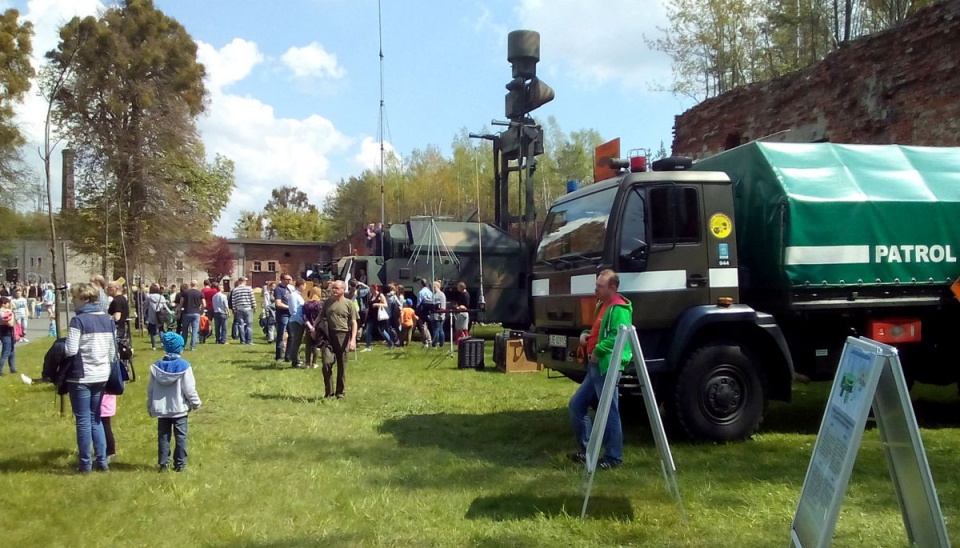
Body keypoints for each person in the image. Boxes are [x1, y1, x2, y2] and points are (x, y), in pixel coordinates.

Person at [568, 270, 633, 470]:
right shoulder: (602, 305)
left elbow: (618, 336)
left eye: (599, 286)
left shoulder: (619, 309)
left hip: (607, 366)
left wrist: (598, 350)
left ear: (613, 288)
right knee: (576, 405)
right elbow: (596, 329)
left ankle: (614, 457)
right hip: (595, 366)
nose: (595, 289)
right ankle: (588, 451)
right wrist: (585, 334)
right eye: (596, 285)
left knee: (609, 412)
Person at [63, 283, 118, 473]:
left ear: (84, 298)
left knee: (83, 420)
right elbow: (113, 352)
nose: (73, 301)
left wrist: (58, 350)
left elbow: (71, 349)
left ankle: (85, 464)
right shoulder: (108, 320)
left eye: (75, 297)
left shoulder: (78, 321)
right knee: (96, 418)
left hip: (81, 375)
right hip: (102, 374)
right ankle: (102, 461)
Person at [147, 332, 202, 472]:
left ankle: (163, 463)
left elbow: (151, 390)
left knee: (163, 437)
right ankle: (180, 464)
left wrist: (150, 407)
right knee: (181, 437)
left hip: (162, 410)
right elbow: (189, 389)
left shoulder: (156, 367)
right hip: (179, 409)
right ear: (180, 348)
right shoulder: (185, 366)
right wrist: (196, 403)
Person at [321, 280, 357, 399]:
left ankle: (340, 393)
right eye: (333, 288)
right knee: (326, 363)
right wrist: (313, 329)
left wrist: (352, 340)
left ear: (343, 289)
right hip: (328, 336)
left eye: (336, 288)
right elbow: (320, 317)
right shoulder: (328, 302)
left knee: (341, 366)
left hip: (343, 335)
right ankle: (329, 393)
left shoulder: (349, 303)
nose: (334, 290)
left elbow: (354, 322)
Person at [362, 285, 393, 351]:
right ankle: (368, 346)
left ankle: (390, 343)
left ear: (374, 289)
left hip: (378, 316)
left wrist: (377, 304)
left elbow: (386, 305)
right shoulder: (370, 296)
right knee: (368, 330)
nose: (370, 290)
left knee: (382, 331)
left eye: (371, 289)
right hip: (371, 316)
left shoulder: (380, 295)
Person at [302, 286, 326, 369]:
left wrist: (310, 327)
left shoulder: (306, 304)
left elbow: (305, 317)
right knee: (317, 345)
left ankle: (307, 363)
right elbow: (322, 317)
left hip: (309, 327)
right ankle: (315, 363)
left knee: (308, 345)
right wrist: (315, 328)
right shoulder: (321, 304)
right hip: (318, 327)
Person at [177, 280, 204, 351]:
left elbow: (181, 303)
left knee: (184, 330)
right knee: (195, 330)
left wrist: (179, 312)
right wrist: (201, 310)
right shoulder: (200, 293)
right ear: (196, 285)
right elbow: (204, 303)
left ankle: (183, 345)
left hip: (186, 312)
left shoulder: (185, 293)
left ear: (190, 284)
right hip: (196, 313)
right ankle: (193, 346)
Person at [284, 279, 306, 368]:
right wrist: (301, 321)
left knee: (298, 341)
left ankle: (297, 359)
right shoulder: (293, 295)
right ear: (301, 285)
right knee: (296, 341)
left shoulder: (299, 296)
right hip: (296, 321)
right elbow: (293, 311)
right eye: (304, 285)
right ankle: (295, 360)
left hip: (300, 320)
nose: (305, 288)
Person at [144, 284, 172, 350]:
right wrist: (170, 312)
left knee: (152, 331)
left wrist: (144, 314)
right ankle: (163, 343)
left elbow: (146, 306)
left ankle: (153, 346)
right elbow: (165, 306)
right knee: (161, 329)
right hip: (160, 315)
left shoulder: (149, 297)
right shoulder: (161, 297)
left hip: (152, 315)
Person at [230, 276, 255, 346]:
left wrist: (234, 309)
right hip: (247, 308)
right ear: (243, 281)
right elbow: (252, 298)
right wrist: (254, 306)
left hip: (239, 309)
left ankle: (242, 340)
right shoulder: (249, 289)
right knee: (249, 325)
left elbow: (233, 301)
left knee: (241, 325)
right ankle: (249, 340)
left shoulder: (235, 290)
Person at [274, 274, 293, 361]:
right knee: (281, 336)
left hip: (290, 315)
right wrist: (290, 307)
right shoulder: (278, 289)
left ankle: (288, 356)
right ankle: (278, 356)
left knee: (292, 335)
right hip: (282, 315)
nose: (289, 281)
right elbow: (278, 303)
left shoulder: (288, 289)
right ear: (282, 279)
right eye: (287, 279)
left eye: (290, 279)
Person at [0, 297, 17, 375]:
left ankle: (12, 368)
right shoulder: (1, 312)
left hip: (10, 332)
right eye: (7, 303)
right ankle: (0, 370)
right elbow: (9, 323)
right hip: (5, 332)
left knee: (12, 351)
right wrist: (12, 315)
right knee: (6, 351)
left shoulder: (7, 311)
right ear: (3, 303)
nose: (9, 304)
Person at [416, 278, 433, 347]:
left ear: (421, 284)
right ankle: (429, 340)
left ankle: (426, 341)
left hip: (422, 311)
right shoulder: (430, 292)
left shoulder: (421, 292)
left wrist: (417, 311)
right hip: (428, 310)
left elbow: (419, 303)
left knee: (423, 326)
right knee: (426, 326)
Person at [430, 281, 447, 348]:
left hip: (439, 316)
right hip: (433, 315)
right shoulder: (433, 294)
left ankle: (436, 343)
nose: (433, 288)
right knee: (437, 329)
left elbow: (442, 305)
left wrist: (441, 313)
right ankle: (438, 343)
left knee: (438, 330)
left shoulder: (441, 295)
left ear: (436, 287)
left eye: (434, 287)